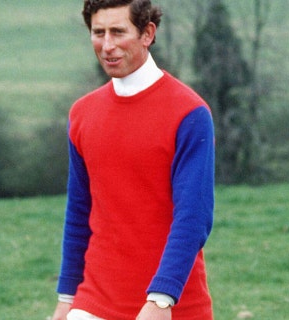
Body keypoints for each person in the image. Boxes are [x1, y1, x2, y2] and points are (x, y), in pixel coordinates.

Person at [51, 1, 215, 319]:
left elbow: (193, 218)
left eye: (118, 32)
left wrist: (161, 299)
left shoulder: (189, 113)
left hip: (172, 303)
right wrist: (66, 297)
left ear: (147, 33)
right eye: (98, 33)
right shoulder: (82, 114)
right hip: (93, 302)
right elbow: (78, 213)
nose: (107, 45)